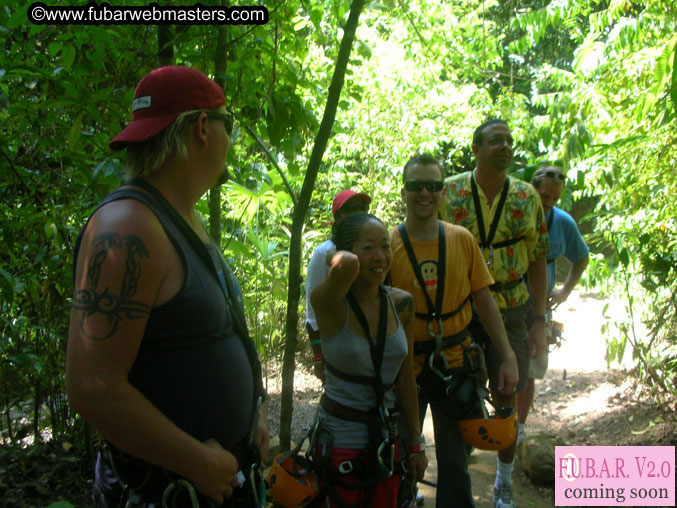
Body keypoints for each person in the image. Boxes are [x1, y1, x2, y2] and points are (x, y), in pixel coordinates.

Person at [66, 66, 270, 508]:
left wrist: (249, 417)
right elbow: (91, 385)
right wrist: (195, 461)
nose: (230, 140)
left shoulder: (182, 217)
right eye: (227, 126)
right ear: (202, 128)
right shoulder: (129, 228)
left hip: (219, 480)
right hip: (167, 491)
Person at [389, 153, 519, 508]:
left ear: (443, 192)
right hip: (405, 372)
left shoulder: (462, 240)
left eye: (433, 185)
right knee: (399, 463)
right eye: (417, 186)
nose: (425, 193)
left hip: (456, 366)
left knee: (455, 467)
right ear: (404, 192)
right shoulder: (388, 246)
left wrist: (506, 354)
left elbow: (484, 299)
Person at [445, 119, 549, 508]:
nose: (505, 147)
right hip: (460, 309)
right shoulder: (451, 192)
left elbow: (539, 260)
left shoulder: (526, 196)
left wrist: (539, 322)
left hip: (512, 307)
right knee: (457, 392)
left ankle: (503, 481)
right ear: (476, 148)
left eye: (509, 141)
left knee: (508, 392)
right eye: (495, 141)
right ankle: (459, 478)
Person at [310, 213, 428, 507]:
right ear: (345, 252)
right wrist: (340, 255)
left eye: (385, 246)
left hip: (387, 444)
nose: (381, 257)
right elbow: (345, 266)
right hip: (340, 443)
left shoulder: (400, 303)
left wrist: (415, 444)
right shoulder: (329, 304)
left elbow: (405, 379)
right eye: (368, 248)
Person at [516, 165, 589, 443]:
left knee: (531, 369)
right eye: (544, 197)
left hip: (539, 308)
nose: (548, 204)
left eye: (554, 200)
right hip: (506, 301)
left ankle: (518, 427)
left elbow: (581, 257)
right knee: (497, 364)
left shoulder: (563, 223)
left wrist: (564, 292)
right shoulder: (515, 216)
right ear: (531, 189)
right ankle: (491, 425)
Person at [306, 190, 371, 382]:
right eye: (352, 208)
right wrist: (319, 359)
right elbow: (312, 314)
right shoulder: (323, 253)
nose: (359, 212)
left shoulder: (372, 248)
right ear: (338, 216)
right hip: (337, 342)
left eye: (363, 208)